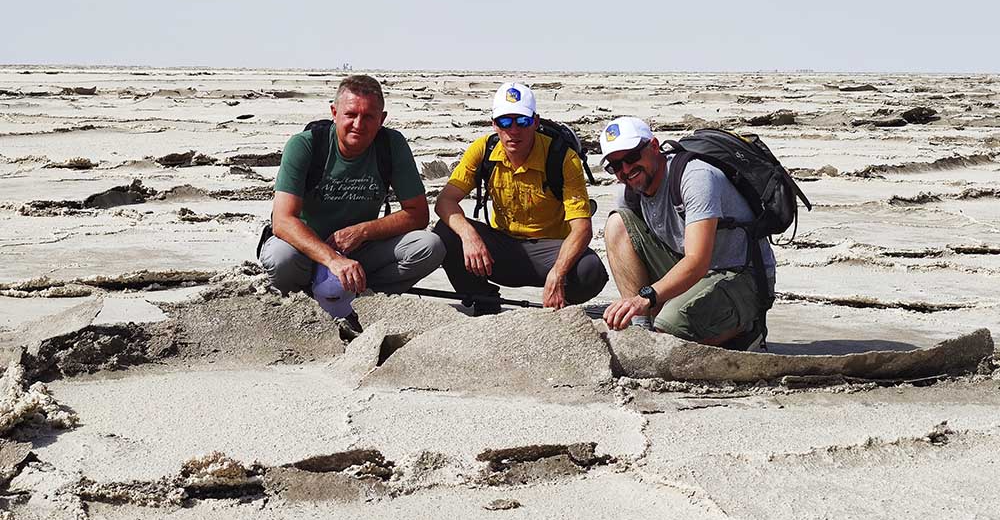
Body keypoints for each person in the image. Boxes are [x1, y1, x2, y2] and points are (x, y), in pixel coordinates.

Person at [258, 75, 445, 326]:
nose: (358, 124)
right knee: (280, 256)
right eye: (350, 115)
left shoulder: (391, 145)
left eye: (368, 116)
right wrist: (333, 260)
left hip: (360, 251)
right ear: (334, 113)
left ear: (382, 119)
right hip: (306, 249)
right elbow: (282, 221)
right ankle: (301, 302)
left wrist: (363, 231)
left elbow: (418, 214)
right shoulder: (305, 145)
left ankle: (364, 300)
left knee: (430, 246)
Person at [599, 117, 775, 350]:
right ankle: (641, 330)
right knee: (617, 225)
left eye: (631, 157)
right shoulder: (630, 193)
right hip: (693, 271)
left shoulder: (696, 177)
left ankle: (746, 329)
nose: (625, 170)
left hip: (738, 276)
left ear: (654, 146)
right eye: (615, 166)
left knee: (668, 329)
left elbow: (697, 261)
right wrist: (639, 307)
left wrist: (645, 297)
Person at [433, 82, 608, 314]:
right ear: (494, 124)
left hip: (549, 251)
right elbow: (445, 201)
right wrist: (469, 236)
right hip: (500, 248)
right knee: (445, 232)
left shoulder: (562, 157)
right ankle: (484, 300)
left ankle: (558, 305)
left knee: (590, 270)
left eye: (522, 121)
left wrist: (558, 273)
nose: (513, 130)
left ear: (535, 121)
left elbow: (582, 228)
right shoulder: (483, 150)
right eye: (505, 122)